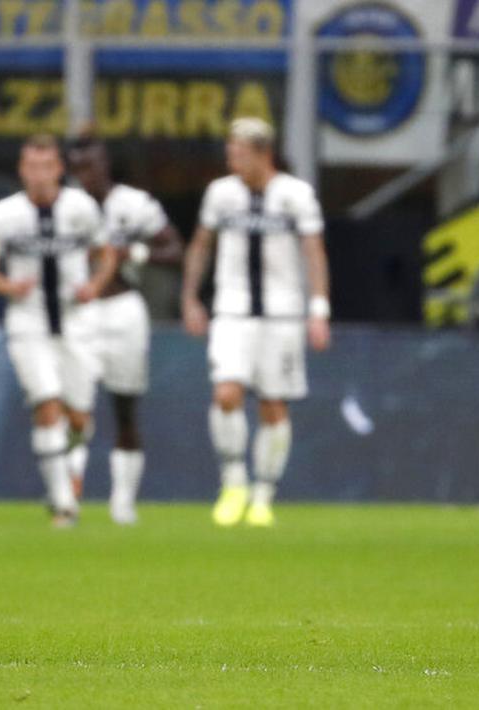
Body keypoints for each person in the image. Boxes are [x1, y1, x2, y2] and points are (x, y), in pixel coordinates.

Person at [181, 117, 331, 528]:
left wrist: (319, 310)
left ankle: (264, 493)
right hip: (233, 310)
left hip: (282, 315)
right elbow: (201, 244)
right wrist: (191, 298)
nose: (233, 160)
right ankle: (233, 482)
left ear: (263, 153)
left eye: (240, 153)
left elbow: (314, 252)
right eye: (230, 152)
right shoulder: (221, 194)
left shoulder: (296, 195)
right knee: (226, 393)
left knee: (272, 404)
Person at [0, 134, 117, 527]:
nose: (40, 175)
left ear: (59, 169)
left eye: (47, 167)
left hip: (76, 323)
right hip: (28, 323)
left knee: (78, 418)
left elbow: (106, 253)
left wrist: (94, 286)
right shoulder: (4, 215)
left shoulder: (81, 208)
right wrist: (7, 286)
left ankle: (67, 472)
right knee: (47, 406)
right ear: (21, 170)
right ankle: (62, 503)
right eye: (32, 166)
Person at [65, 134, 182, 524]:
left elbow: (174, 250)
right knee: (76, 409)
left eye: (92, 165)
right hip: (78, 311)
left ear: (105, 165)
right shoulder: (64, 207)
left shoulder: (133, 204)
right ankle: (69, 495)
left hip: (123, 308)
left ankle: (123, 501)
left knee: (125, 407)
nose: (87, 174)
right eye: (79, 167)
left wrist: (136, 252)